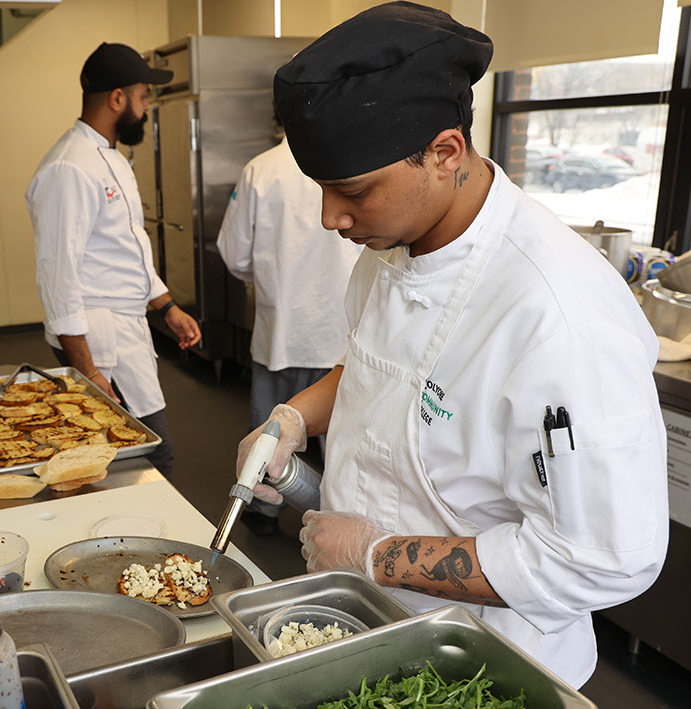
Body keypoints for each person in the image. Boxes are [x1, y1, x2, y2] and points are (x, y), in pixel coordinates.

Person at [236, 2, 668, 688]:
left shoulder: (557, 316)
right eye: (319, 189)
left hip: (485, 659)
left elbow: (601, 557)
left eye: (350, 191)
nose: (328, 217)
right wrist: (294, 415)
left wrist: (374, 552)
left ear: (444, 152)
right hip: (368, 617)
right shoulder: (391, 247)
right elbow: (379, 368)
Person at [26, 42, 202, 478]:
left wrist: (166, 306)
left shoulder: (111, 157)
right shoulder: (70, 167)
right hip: (99, 339)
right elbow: (58, 274)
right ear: (117, 98)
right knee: (135, 456)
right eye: (143, 97)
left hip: (126, 327)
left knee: (137, 452)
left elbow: (128, 246)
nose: (146, 109)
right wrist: (86, 370)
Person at [217, 121, 362, 536]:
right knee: (342, 442)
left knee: (271, 433)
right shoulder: (354, 161)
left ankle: (263, 514)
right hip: (343, 333)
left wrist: (270, 280)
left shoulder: (261, 169)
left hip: (281, 330)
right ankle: (340, 525)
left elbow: (233, 252)